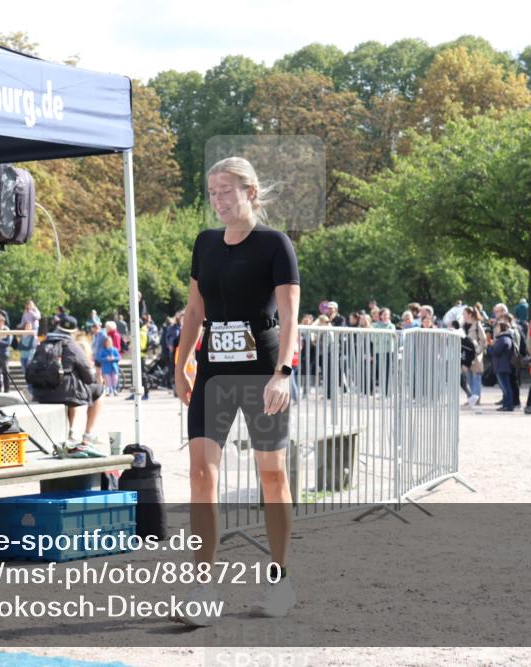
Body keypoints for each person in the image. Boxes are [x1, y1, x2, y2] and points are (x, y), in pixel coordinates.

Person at [173, 156, 300, 625]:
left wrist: (283, 372)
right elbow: (193, 310)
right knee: (201, 476)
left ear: (250, 191)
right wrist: (181, 361)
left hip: (263, 373)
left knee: (272, 477)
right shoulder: (205, 244)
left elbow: (290, 317)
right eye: (212, 192)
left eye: (227, 190)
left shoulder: (274, 244)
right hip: (213, 375)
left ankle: (280, 579)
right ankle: (203, 584)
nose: (218, 200)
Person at [30, 317, 106, 453]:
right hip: (62, 394)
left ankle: (71, 432)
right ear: (74, 331)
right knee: (98, 391)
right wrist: (91, 379)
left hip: (40, 393)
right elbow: (87, 373)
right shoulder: (71, 345)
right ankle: (87, 434)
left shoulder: (44, 343)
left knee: (70, 389)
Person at [462, 306, 486, 408]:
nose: (463, 316)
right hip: (467, 355)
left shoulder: (477, 325)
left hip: (475, 356)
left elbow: (483, 339)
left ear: (470, 314)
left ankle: (476, 399)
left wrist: (478, 351)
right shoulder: (463, 325)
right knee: (469, 378)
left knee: (476, 377)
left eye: (464, 314)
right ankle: (471, 398)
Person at [488, 321, 515, 411]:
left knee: (505, 387)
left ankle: (508, 406)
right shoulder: (505, 338)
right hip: (502, 366)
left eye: (497, 327)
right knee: (505, 387)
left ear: (501, 328)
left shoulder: (503, 339)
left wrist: (491, 346)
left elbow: (496, 352)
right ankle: (506, 405)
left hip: (502, 366)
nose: (496, 329)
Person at [0, 313, 13, 393]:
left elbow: (8, 343)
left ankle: (7, 389)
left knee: (5, 372)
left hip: (4, 354)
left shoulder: (6, 330)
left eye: (0, 321)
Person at [18, 321, 37, 393]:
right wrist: (23, 347)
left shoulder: (33, 336)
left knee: (30, 373)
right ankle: (29, 389)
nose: (28, 328)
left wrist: (23, 347)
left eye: (29, 326)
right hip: (23, 356)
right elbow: (19, 347)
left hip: (30, 356)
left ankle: (31, 389)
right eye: (27, 326)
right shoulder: (23, 335)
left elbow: (31, 346)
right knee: (25, 373)